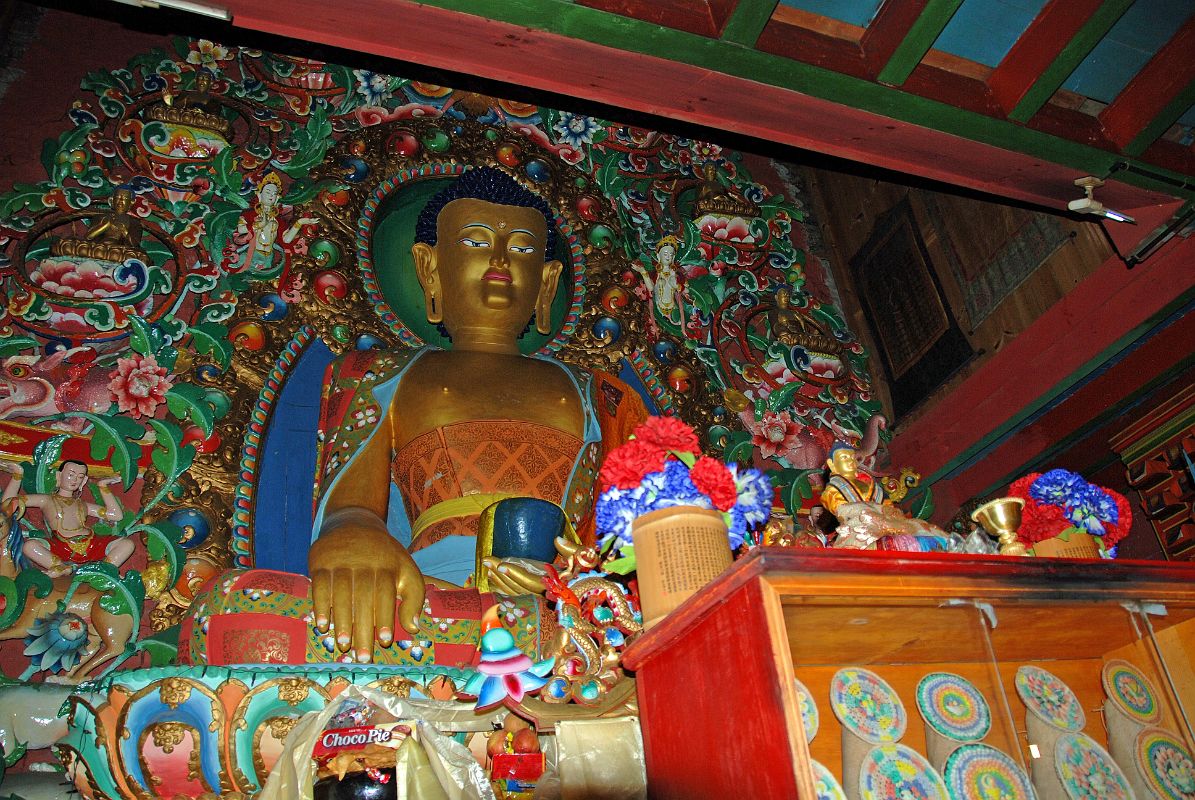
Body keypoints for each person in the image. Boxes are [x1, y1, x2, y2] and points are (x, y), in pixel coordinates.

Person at [309, 167, 646, 663]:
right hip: (430, 603)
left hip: (565, 610)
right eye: (475, 241)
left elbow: (644, 539)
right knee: (237, 603)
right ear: (429, 267)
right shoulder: (375, 373)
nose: (500, 259)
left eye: (523, 249)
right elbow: (351, 507)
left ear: (547, 282)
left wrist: (573, 572)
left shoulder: (604, 395)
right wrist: (353, 537)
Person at [0, 459, 132, 576]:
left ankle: (103, 571)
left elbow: (116, 515)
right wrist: (17, 475)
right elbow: (8, 503)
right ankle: (60, 566)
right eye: (71, 474)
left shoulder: (83, 505)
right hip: (61, 545)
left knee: (127, 544)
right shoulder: (46, 500)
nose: (75, 480)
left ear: (84, 481)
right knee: (29, 546)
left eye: (80, 477)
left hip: (90, 543)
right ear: (59, 476)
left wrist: (102, 487)